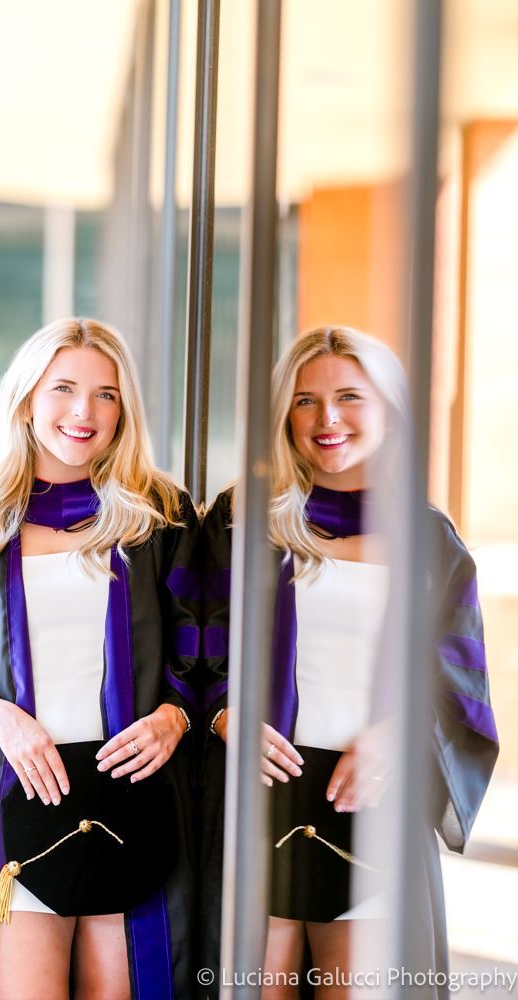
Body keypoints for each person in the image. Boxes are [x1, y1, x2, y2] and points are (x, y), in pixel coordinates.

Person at [0, 318, 201, 1000]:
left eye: (106, 394)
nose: (84, 411)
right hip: (18, 808)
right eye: (63, 388)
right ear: (26, 398)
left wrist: (175, 715)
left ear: (125, 410)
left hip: (132, 800)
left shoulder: (160, 520)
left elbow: (207, 654)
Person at [200, 326, 498, 999]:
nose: (326, 419)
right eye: (304, 400)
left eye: (348, 397)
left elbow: (457, 681)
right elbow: (189, 649)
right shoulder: (241, 522)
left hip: (370, 802)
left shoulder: (426, 539)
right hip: (257, 800)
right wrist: (225, 717)